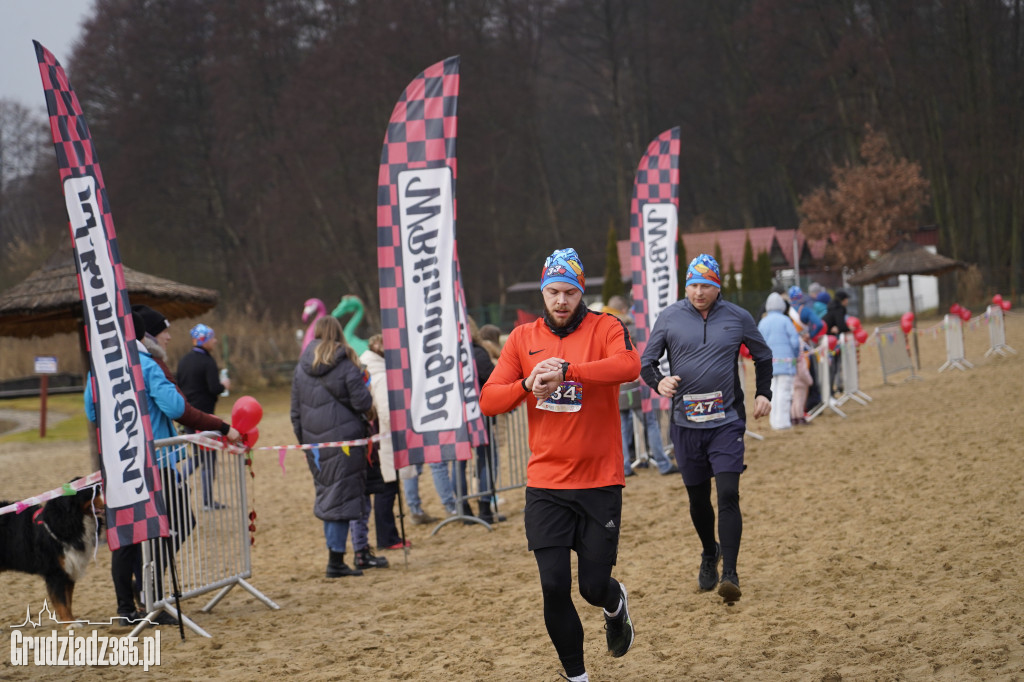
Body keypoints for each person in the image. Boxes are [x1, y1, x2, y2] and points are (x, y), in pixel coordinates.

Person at [480, 247, 638, 682]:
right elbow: (489, 400)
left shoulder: (606, 326)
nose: (561, 301)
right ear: (543, 292)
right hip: (546, 484)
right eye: (553, 292)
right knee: (553, 585)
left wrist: (571, 371)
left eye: (569, 291)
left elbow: (630, 365)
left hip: (598, 481)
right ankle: (577, 677)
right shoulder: (521, 338)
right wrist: (527, 384)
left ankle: (614, 602)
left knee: (590, 588)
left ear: (581, 291)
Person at [86, 307, 240, 623]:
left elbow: (91, 411)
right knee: (179, 521)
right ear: (143, 335)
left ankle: (126, 610)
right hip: (154, 460)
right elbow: (174, 407)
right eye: (164, 331)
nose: (169, 336)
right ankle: (149, 596)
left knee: (127, 534)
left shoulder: (99, 369)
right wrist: (222, 426)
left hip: (120, 465)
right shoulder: (146, 364)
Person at [640, 254, 772, 603]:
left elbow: (764, 355)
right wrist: (660, 383)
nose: (699, 291)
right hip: (685, 425)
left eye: (706, 285)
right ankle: (709, 551)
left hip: (726, 422)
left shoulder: (737, 317)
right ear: (686, 286)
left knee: (728, 493)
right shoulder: (668, 317)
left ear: (717, 287)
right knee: (698, 500)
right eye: (694, 285)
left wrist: (763, 393)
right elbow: (647, 362)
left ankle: (730, 573)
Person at [291, 316, 384, 577]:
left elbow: (295, 411)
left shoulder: (301, 367)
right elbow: (363, 402)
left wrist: (305, 442)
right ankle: (336, 561)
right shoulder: (346, 364)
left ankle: (336, 556)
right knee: (340, 499)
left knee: (329, 495)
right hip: (345, 442)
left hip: (316, 444)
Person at [606, 295, 678, 477]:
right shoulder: (635, 330)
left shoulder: (606, 330)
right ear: (624, 310)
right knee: (651, 423)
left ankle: (624, 467)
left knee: (622, 427)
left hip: (618, 386)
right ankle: (662, 463)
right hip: (637, 384)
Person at [359, 334, 409, 550]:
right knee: (387, 489)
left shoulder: (373, 371)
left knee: (388, 488)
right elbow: (387, 411)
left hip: (379, 438)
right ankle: (388, 538)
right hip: (386, 439)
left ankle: (389, 536)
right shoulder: (381, 377)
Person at [176, 323, 231, 510]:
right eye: (212, 338)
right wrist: (224, 385)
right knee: (207, 459)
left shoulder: (183, 361)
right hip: (205, 418)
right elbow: (214, 388)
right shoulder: (208, 362)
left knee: (199, 457)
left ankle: (178, 482)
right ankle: (205, 499)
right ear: (204, 340)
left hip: (188, 416)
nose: (215, 341)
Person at [758, 292, 801, 430]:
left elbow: (758, 344)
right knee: (785, 392)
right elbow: (795, 341)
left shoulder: (763, 322)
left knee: (772, 393)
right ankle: (783, 422)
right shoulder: (785, 320)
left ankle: (774, 421)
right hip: (786, 363)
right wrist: (795, 356)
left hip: (768, 365)